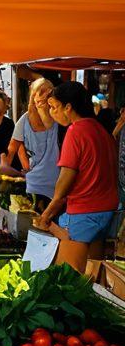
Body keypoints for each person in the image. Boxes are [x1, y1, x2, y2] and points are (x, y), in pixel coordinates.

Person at [35, 81, 119, 270]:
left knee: (68, 278)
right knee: (92, 277)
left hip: (84, 212)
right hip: (107, 211)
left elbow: (65, 180)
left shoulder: (75, 131)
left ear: (68, 107)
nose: (51, 112)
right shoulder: (102, 131)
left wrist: (46, 214)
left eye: (54, 107)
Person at [5, 77, 60, 202]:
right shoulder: (24, 120)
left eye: (46, 93)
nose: (42, 99)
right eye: (39, 93)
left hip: (59, 186)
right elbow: (12, 149)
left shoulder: (60, 118)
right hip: (35, 184)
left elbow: (49, 124)